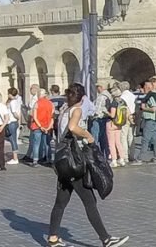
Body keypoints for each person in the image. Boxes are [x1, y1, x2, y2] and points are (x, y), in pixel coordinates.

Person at [46, 83, 129, 247]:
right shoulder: (76, 110)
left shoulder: (64, 110)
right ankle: (106, 239)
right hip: (74, 163)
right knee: (90, 202)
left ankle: (53, 238)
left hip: (64, 163)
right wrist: (88, 135)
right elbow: (72, 127)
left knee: (60, 203)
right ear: (82, 97)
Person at [29, 88, 55, 167]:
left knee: (36, 144)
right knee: (47, 144)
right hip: (47, 126)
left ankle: (35, 161)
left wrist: (40, 126)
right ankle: (49, 159)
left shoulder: (37, 103)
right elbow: (52, 117)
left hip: (37, 126)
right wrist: (48, 127)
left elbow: (35, 117)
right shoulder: (51, 104)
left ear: (38, 95)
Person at [106, 88, 127, 167]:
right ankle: (122, 159)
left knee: (111, 143)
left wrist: (106, 112)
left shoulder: (114, 103)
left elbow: (112, 115)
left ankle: (114, 160)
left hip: (111, 123)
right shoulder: (123, 102)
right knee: (118, 142)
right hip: (119, 124)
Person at [6, 88, 23, 165]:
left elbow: (14, 112)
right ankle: (15, 156)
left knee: (12, 140)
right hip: (14, 122)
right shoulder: (15, 101)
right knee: (13, 139)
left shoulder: (12, 102)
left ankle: (15, 158)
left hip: (12, 122)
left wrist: (17, 118)